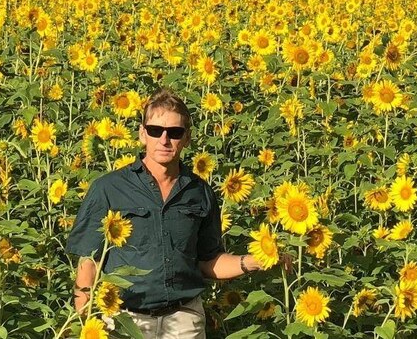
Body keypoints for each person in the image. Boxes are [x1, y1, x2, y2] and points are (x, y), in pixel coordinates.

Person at [66, 88, 283, 338]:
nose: (164, 140)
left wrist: (254, 260)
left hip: (184, 320)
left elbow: (208, 261)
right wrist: (84, 323)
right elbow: (88, 264)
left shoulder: (199, 192)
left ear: (187, 138)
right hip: (124, 320)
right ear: (142, 133)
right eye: (155, 130)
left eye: (175, 132)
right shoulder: (109, 188)